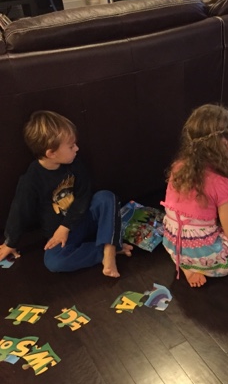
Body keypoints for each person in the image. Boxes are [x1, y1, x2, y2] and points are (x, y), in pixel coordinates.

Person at [0, 110, 133, 277]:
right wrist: (10, 243)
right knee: (54, 262)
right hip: (62, 235)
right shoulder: (31, 180)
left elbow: (84, 195)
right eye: (71, 146)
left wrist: (66, 225)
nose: (77, 148)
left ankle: (109, 250)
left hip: (84, 218)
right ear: (51, 153)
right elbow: (19, 211)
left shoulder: (74, 163)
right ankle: (105, 250)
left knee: (106, 197)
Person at [161, 104, 228, 287]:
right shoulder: (219, 183)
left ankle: (187, 267)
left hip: (173, 247)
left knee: (196, 220)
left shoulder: (179, 167)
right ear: (224, 143)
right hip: (207, 257)